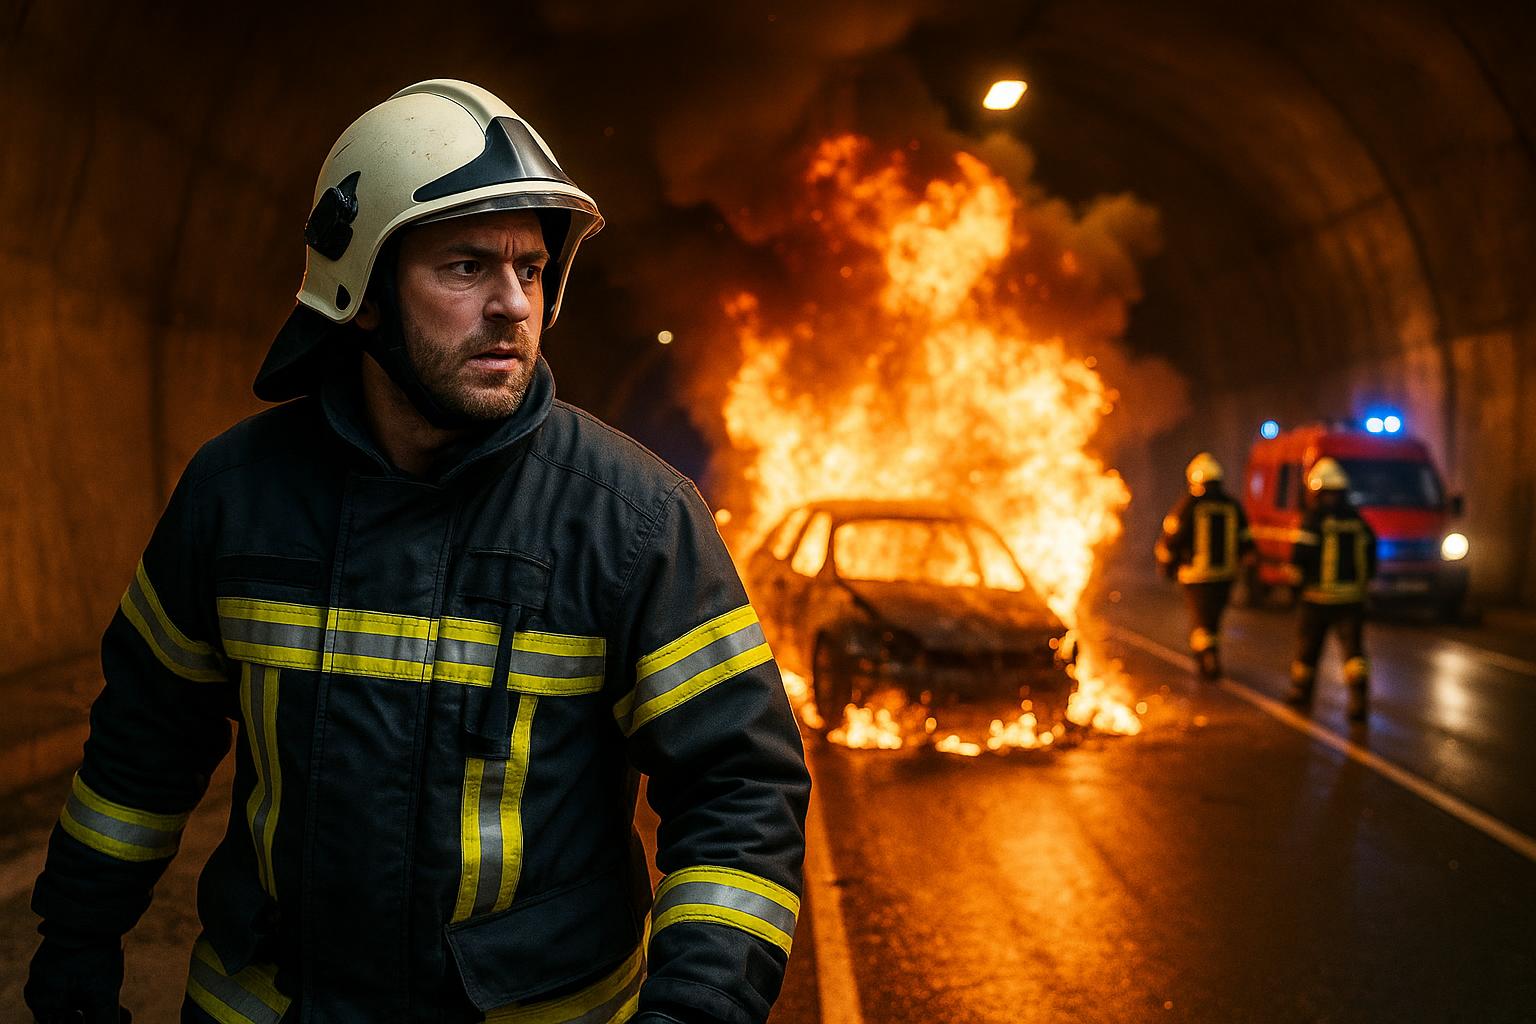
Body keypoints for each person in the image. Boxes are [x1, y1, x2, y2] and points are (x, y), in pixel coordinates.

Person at [25, 79, 810, 1024]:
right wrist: (75, 947)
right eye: (467, 267)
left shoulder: (635, 521)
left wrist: (696, 1007)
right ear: (359, 295)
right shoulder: (235, 497)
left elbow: (739, 790)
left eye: (530, 268)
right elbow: (140, 752)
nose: (513, 306)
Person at [1287, 457, 1378, 721]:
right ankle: (1358, 698)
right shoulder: (1358, 520)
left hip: (1315, 599)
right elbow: (1372, 557)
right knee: (1354, 652)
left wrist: (1295, 590)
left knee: (1308, 649)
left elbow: (1300, 558)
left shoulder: (1313, 520)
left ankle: (1301, 692)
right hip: (1351, 599)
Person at [1154, 452, 1253, 679]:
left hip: (1197, 576)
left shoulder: (1188, 505)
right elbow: (1246, 540)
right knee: (1213, 618)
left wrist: (1166, 566)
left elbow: (1172, 539)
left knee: (1201, 619)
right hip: (1226, 576)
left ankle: (1207, 661)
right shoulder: (1232, 505)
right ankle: (1210, 654)